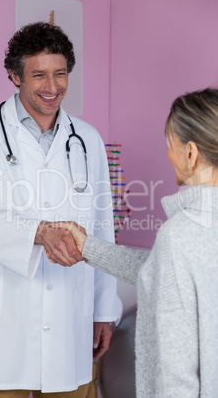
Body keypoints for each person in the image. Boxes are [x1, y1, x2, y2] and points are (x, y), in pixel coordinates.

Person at [0, 22, 119, 398]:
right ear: (14, 75)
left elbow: (102, 228)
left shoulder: (87, 139)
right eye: (38, 74)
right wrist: (38, 233)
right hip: (4, 319)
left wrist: (105, 308)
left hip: (70, 316)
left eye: (60, 74)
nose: (52, 87)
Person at [47, 88, 218, 397]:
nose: (168, 153)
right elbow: (163, 271)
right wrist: (88, 247)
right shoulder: (193, 233)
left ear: (190, 153)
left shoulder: (181, 233)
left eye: (170, 143)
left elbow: (177, 366)